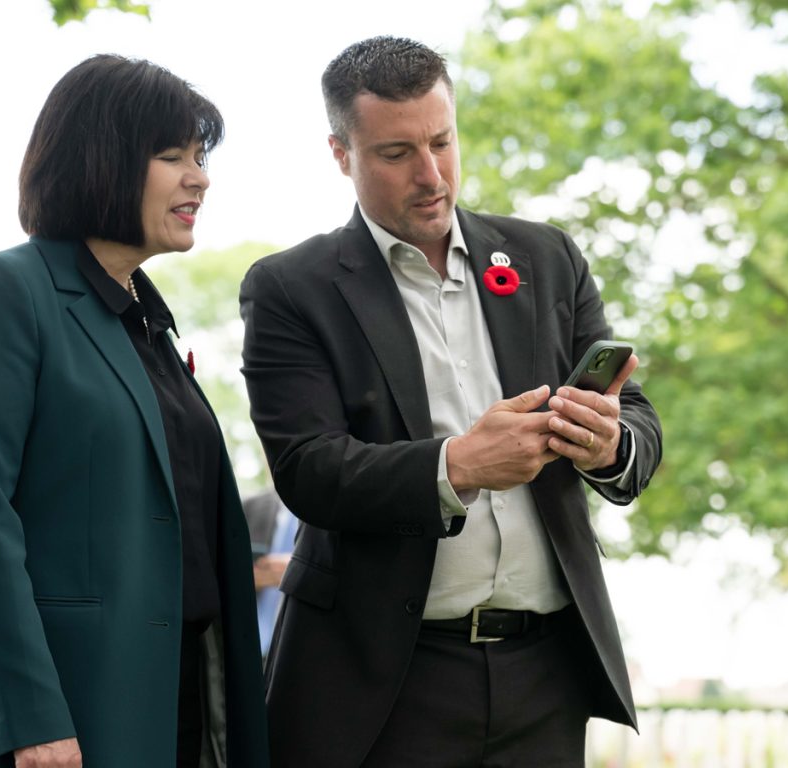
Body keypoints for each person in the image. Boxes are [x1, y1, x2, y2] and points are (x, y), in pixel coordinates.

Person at [239, 36, 663, 767]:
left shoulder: (546, 258)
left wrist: (609, 444)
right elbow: (308, 470)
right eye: (397, 153)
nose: (432, 175)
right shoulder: (290, 288)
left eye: (442, 140)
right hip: (382, 685)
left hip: (546, 678)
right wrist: (458, 464)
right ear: (341, 153)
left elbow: (640, 422)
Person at [0, 55, 269, 768]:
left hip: (171, 697)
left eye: (200, 156)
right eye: (172, 155)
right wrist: (29, 717)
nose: (200, 177)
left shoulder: (147, 322)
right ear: (101, 160)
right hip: (52, 714)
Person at [241, 489, 296, 657]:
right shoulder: (250, 506)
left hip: (301, 651)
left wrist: (297, 571)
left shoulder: (337, 512)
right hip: (248, 647)